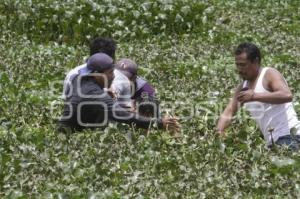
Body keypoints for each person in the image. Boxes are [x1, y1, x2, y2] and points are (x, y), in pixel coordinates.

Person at [59, 53, 180, 133]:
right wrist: (160, 123)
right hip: (72, 136)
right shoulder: (96, 94)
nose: (113, 77)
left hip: (70, 129)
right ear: (97, 73)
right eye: (110, 73)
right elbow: (125, 116)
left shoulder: (79, 79)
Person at [216, 42, 300, 150]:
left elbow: (286, 95)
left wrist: (254, 96)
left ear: (255, 61)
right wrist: (219, 132)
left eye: (243, 65)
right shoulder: (243, 87)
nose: (240, 69)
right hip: (273, 142)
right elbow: (230, 111)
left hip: (291, 136)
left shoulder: (269, 74)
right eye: (237, 65)